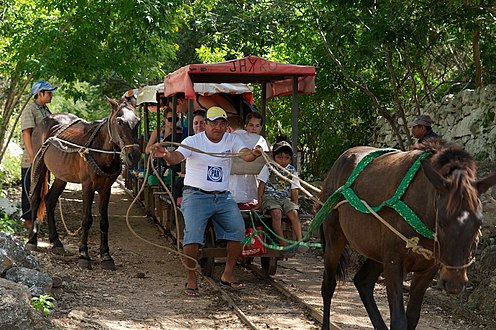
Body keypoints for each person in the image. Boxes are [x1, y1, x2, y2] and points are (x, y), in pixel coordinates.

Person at [152, 106, 262, 296]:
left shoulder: (232, 139)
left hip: (224, 195)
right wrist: (166, 155)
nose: (217, 127)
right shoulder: (192, 141)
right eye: (213, 123)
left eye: (221, 123)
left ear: (226, 125)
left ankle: (227, 274)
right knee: (192, 236)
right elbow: (177, 157)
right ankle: (192, 279)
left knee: (237, 230)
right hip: (196, 195)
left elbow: (245, 154)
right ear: (206, 124)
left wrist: (254, 154)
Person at [257, 141, 307, 253]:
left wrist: (294, 205)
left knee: (294, 213)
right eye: (280, 157)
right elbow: (261, 185)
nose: (283, 161)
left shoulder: (292, 170)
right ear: (274, 157)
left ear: (290, 159)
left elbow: (294, 189)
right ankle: (282, 241)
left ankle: (300, 241)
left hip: (284, 199)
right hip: (270, 198)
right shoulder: (269, 167)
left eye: (286, 158)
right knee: (276, 213)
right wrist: (260, 203)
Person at [21, 80, 57, 229]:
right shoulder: (30, 109)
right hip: (33, 157)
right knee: (30, 188)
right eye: (48, 93)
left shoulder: (46, 110)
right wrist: (31, 156)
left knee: (42, 188)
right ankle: (29, 220)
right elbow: (26, 133)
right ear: (39, 94)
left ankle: (37, 218)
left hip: (44, 157)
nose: (51, 95)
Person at [227, 115, 269, 209]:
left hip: (231, 195)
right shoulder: (260, 140)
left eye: (257, 126)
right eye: (251, 125)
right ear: (244, 126)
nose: (254, 128)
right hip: (252, 195)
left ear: (228, 128)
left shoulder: (228, 138)